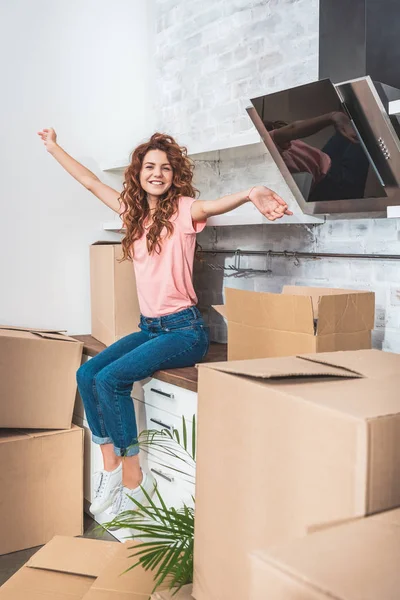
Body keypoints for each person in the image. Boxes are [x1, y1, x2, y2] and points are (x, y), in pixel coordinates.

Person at [37, 128, 293, 519]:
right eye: (150, 166)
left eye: (166, 168)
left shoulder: (184, 211)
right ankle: (111, 466)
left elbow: (215, 205)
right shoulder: (131, 211)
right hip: (150, 328)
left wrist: (251, 191)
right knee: (88, 373)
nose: (158, 173)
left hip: (184, 332)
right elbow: (89, 181)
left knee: (110, 379)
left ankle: (132, 477)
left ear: (175, 175)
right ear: (138, 172)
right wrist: (55, 146)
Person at [264, 111, 370, 201]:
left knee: (355, 121)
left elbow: (292, 129)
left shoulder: (267, 137)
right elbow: (293, 128)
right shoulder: (265, 145)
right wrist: (332, 116)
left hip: (323, 161)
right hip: (326, 185)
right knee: (366, 129)